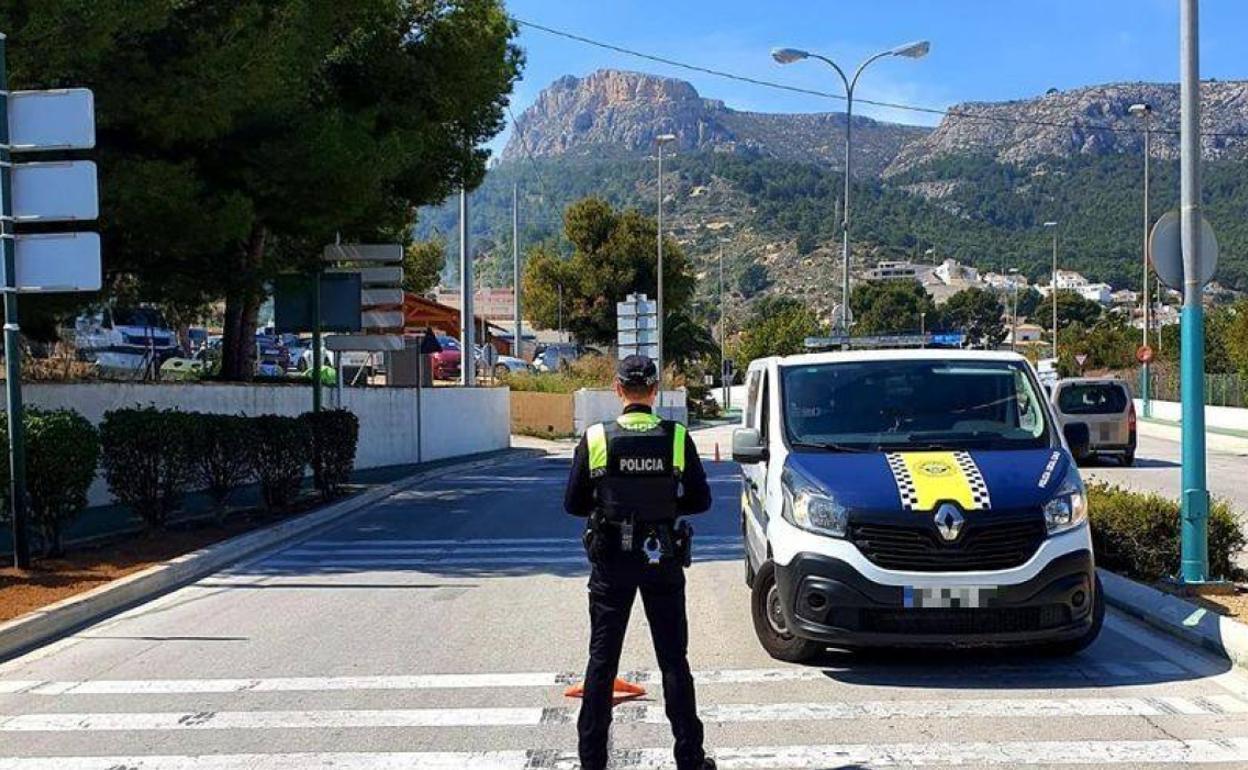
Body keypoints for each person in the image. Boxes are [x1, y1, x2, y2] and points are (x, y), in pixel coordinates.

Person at [564, 354, 715, 770]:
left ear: (617, 390)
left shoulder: (597, 437)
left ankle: (592, 762)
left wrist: (609, 502)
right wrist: (666, 505)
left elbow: (573, 504)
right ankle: (690, 758)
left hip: (612, 560)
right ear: (654, 391)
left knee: (601, 661)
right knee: (672, 660)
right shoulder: (676, 437)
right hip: (661, 555)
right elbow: (701, 500)